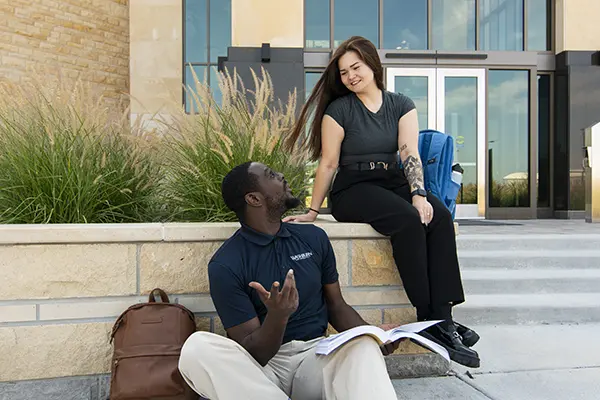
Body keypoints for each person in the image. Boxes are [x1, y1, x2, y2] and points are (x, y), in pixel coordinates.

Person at [282, 36, 480, 368]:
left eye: (355, 67)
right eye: (344, 72)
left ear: (373, 65)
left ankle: (442, 319)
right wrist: (313, 211)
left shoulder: (401, 104)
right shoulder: (339, 109)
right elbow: (329, 163)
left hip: (392, 180)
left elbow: (408, 151)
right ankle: (429, 318)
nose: (350, 76)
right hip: (353, 188)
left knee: (440, 216)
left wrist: (419, 194)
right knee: (406, 219)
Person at [178, 161, 403, 400]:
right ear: (254, 199)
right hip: (264, 372)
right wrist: (278, 316)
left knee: (363, 344)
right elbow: (256, 354)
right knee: (196, 348)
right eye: (271, 175)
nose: (281, 176)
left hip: (316, 358)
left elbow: (336, 306)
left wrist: (376, 336)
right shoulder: (226, 263)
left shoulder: (314, 238)